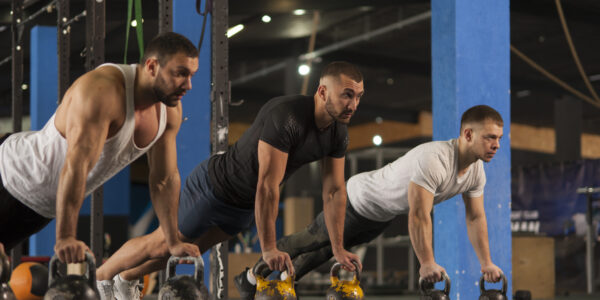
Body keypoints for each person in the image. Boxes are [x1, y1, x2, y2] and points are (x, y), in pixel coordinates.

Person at [96, 61, 365, 300]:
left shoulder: (338, 133)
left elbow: (334, 191)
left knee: (182, 254)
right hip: (215, 187)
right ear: (322, 92)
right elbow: (267, 185)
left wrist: (338, 248)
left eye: (358, 97)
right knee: (162, 243)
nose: (353, 105)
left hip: (244, 206)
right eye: (347, 95)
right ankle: (102, 278)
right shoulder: (287, 116)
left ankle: (126, 279)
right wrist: (269, 248)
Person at [235, 105, 505, 298]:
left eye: (499, 139)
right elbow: (419, 215)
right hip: (357, 199)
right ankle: (248, 280)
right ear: (468, 135)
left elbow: (475, 217)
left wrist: (486, 263)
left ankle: (277, 284)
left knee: (326, 252)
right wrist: (426, 262)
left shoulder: (476, 172)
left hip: (380, 216)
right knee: (311, 240)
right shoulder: (435, 159)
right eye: (490, 137)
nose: (496, 145)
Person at [0, 32, 201, 273]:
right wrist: (65, 236)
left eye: (191, 75)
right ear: (152, 66)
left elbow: (164, 179)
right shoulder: (101, 92)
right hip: (10, 174)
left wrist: (172, 240)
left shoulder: (170, 112)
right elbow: (77, 165)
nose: (188, 85)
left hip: (38, 209)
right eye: (180, 73)